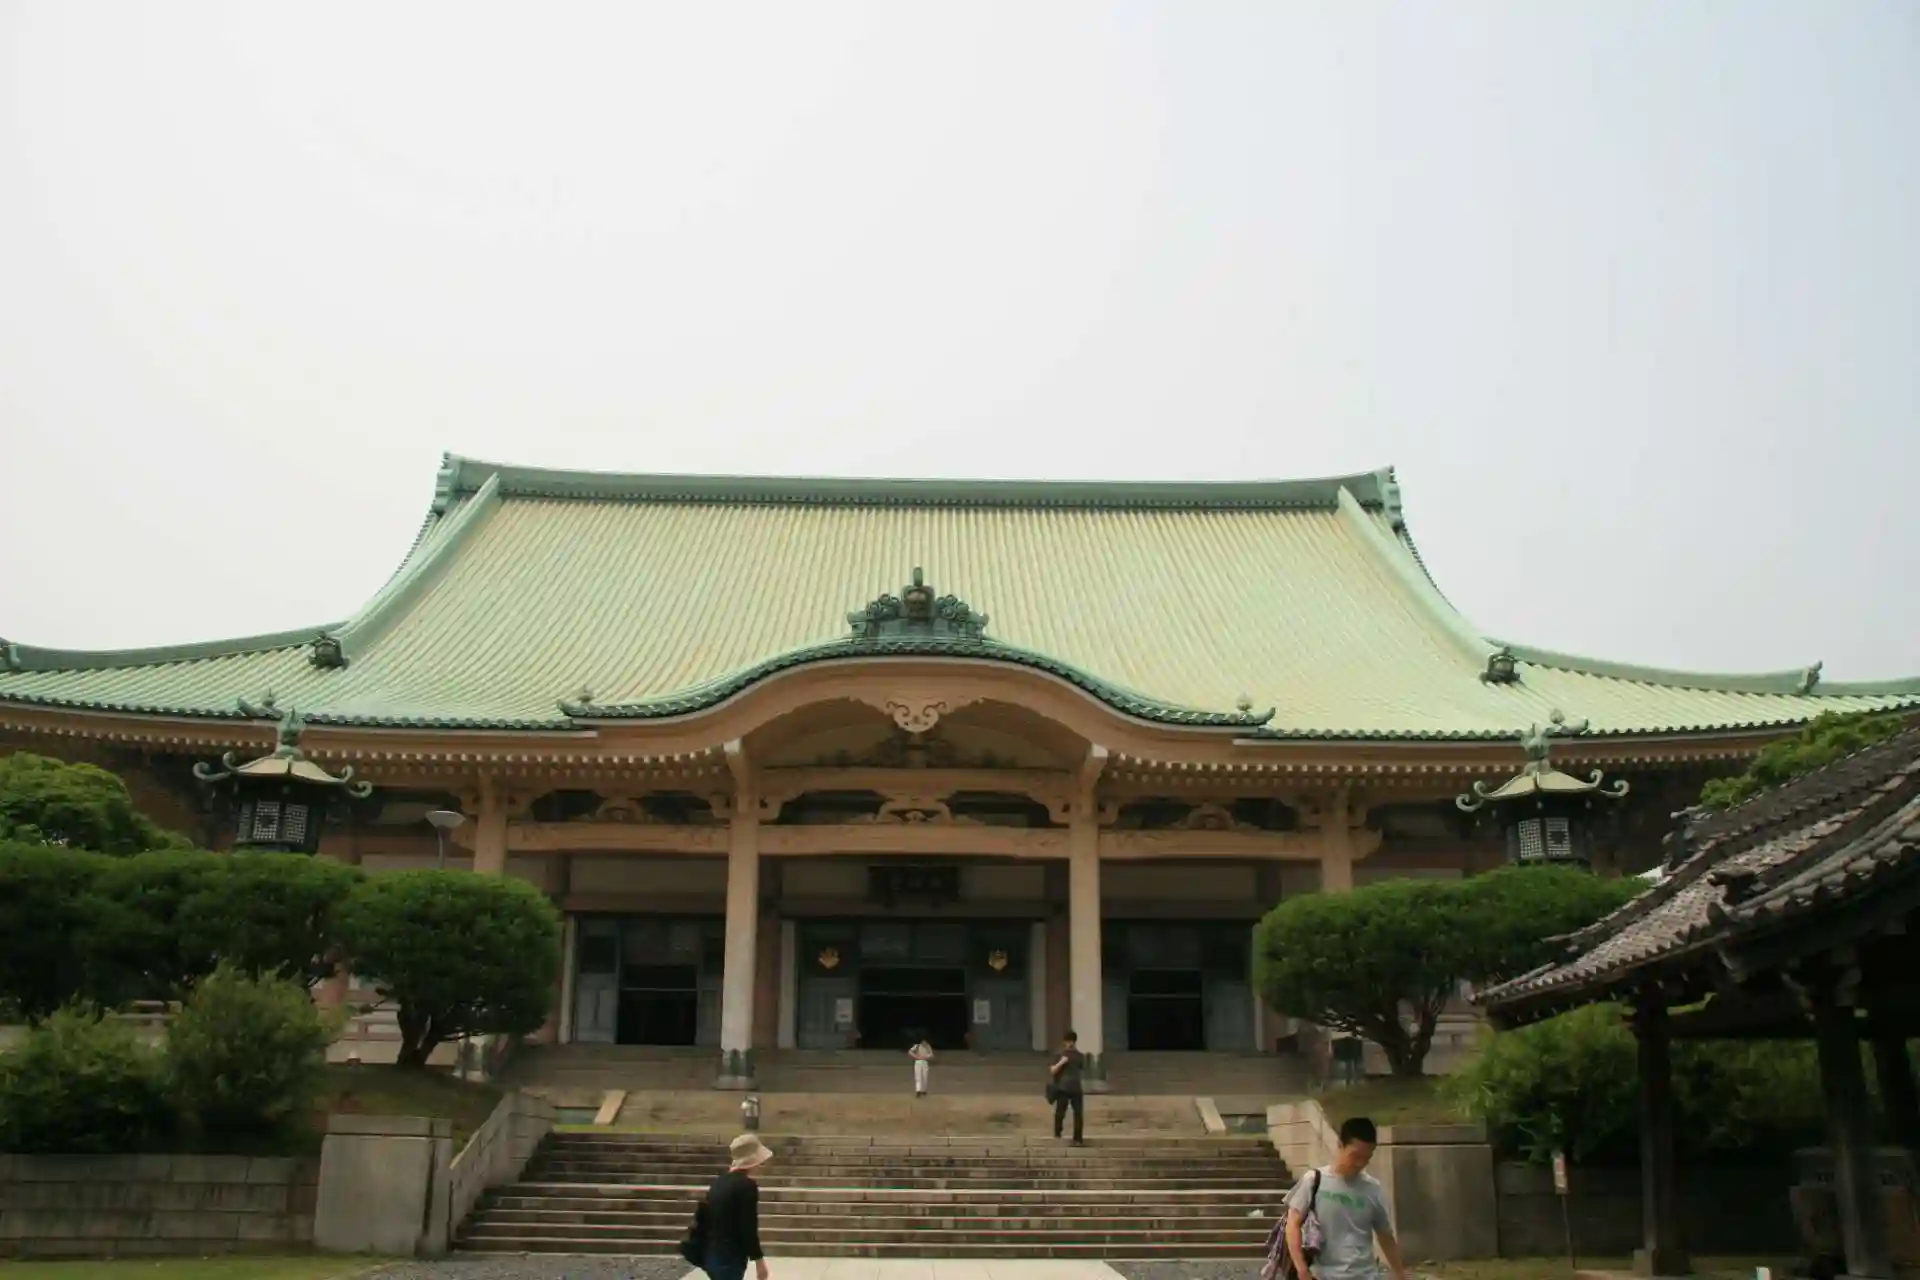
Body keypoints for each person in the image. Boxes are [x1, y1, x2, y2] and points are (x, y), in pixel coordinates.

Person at [1283, 1116, 1406, 1280]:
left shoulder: (1373, 1189)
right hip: (1323, 1275)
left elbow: (1385, 1236)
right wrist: (1301, 1268)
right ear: (1340, 1145)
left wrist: (1400, 1274)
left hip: (1365, 1275)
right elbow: (1292, 1225)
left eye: (1367, 1158)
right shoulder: (1314, 1181)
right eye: (1355, 1156)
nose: (1360, 1163)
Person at [698, 1133, 773, 1280]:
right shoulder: (746, 1186)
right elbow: (748, 1226)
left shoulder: (719, 1183)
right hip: (731, 1257)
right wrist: (759, 1262)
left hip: (712, 1253)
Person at [1049, 1029, 1085, 1145]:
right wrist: (1062, 1062)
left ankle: (1058, 1133)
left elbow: (1053, 1070)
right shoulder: (1078, 1055)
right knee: (1075, 1113)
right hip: (1073, 1086)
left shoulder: (1061, 1054)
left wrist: (1061, 1063)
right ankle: (1077, 1138)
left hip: (1065, 1087)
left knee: (1062, 1111)